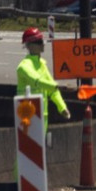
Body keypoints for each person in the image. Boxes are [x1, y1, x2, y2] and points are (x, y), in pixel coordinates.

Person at [15, 27, 70, 164]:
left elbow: (52, 90)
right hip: (28, 116)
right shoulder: (24, 66)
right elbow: (38, 81)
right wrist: (56, 86)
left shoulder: (42, 65)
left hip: (43, 115)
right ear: (29, 45)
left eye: (42, 40)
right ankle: (18, 182)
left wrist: (61, 106)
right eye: (39, 41)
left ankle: (33, 183)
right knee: (26, 152)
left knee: (38, 152)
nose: (43, 44)